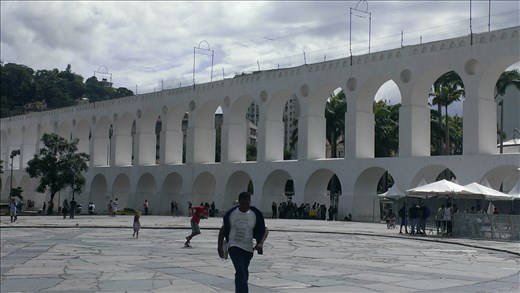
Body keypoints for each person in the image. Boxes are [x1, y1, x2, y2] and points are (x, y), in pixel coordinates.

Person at [218, 192, 269, 293]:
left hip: (248, 248)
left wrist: (260, 243)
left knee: (243, 272)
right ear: (239, 202)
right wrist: (219, 247)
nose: (244, 206)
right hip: (234, 246)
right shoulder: (232, 214)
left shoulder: (254, 214)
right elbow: (223, 230)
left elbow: (265, 230)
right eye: (242, 203)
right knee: (241, 271)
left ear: (250, 202)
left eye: (247, 203)